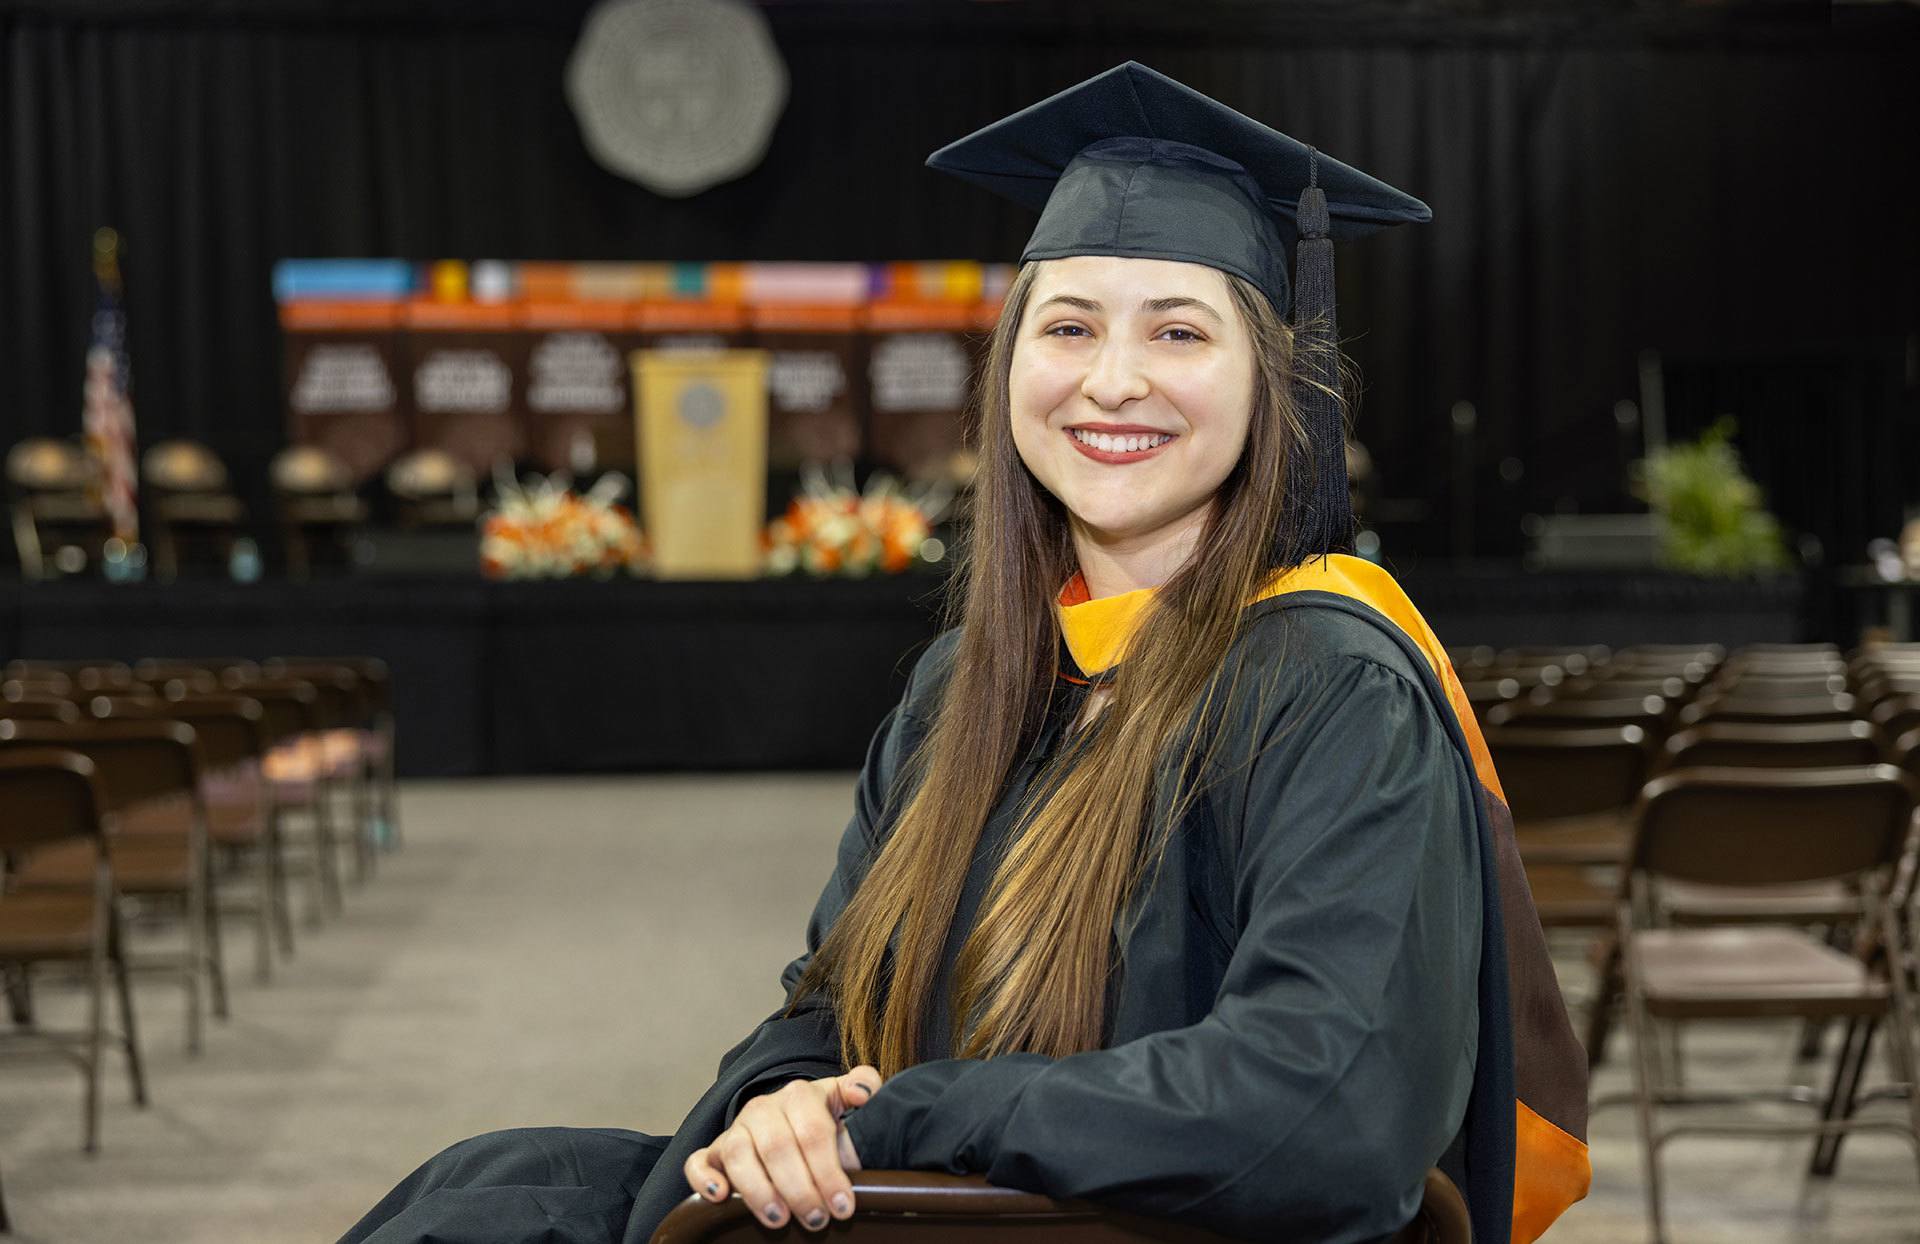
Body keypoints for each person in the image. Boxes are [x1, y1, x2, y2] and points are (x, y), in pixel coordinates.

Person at [343, 62, 1589, 1244]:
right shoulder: (964, 692)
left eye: (1178, 333)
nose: (1112, 381)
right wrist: (767, 1116)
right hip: (919, 1201)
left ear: (1273, 383)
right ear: (1008, 370)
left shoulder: (1330, 688)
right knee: (484, 1188)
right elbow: (825, 1004)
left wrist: (900, 1119)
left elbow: (1328, 1110)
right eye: (1068, 327)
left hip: (1123, 1228)